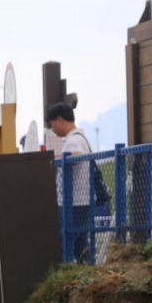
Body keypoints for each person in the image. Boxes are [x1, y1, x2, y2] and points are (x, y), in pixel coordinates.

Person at [46, 102, 93, 263]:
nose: (53, 129)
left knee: (65, 242)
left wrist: (50, 159)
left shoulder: (74, 140)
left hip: (73, 203)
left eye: (53, 124)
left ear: (60, 120)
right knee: (80, 245)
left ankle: (68, 273)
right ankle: (84, 272)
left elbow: (76, 156)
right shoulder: (81, 138)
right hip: (81, 201)